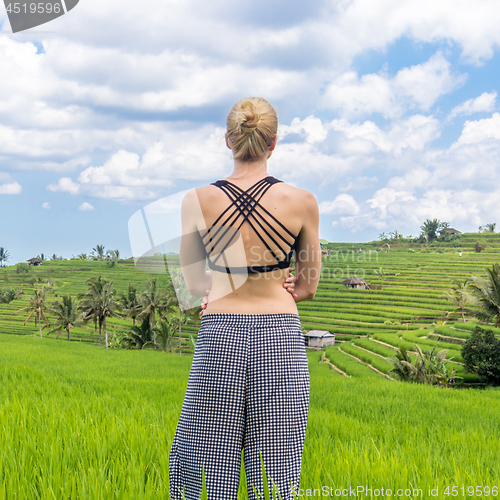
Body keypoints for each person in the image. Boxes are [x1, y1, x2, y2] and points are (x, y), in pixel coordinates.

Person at [169, 97, 321, 500]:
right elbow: (308, 286)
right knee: (276, 467)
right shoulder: (302, 202)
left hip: (220, 332)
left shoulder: (197, 200)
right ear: (273, 143)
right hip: (281, 337)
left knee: (201, 463)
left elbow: (193, 284)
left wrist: (215, 290)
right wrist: (284, 286)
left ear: (228, 140)